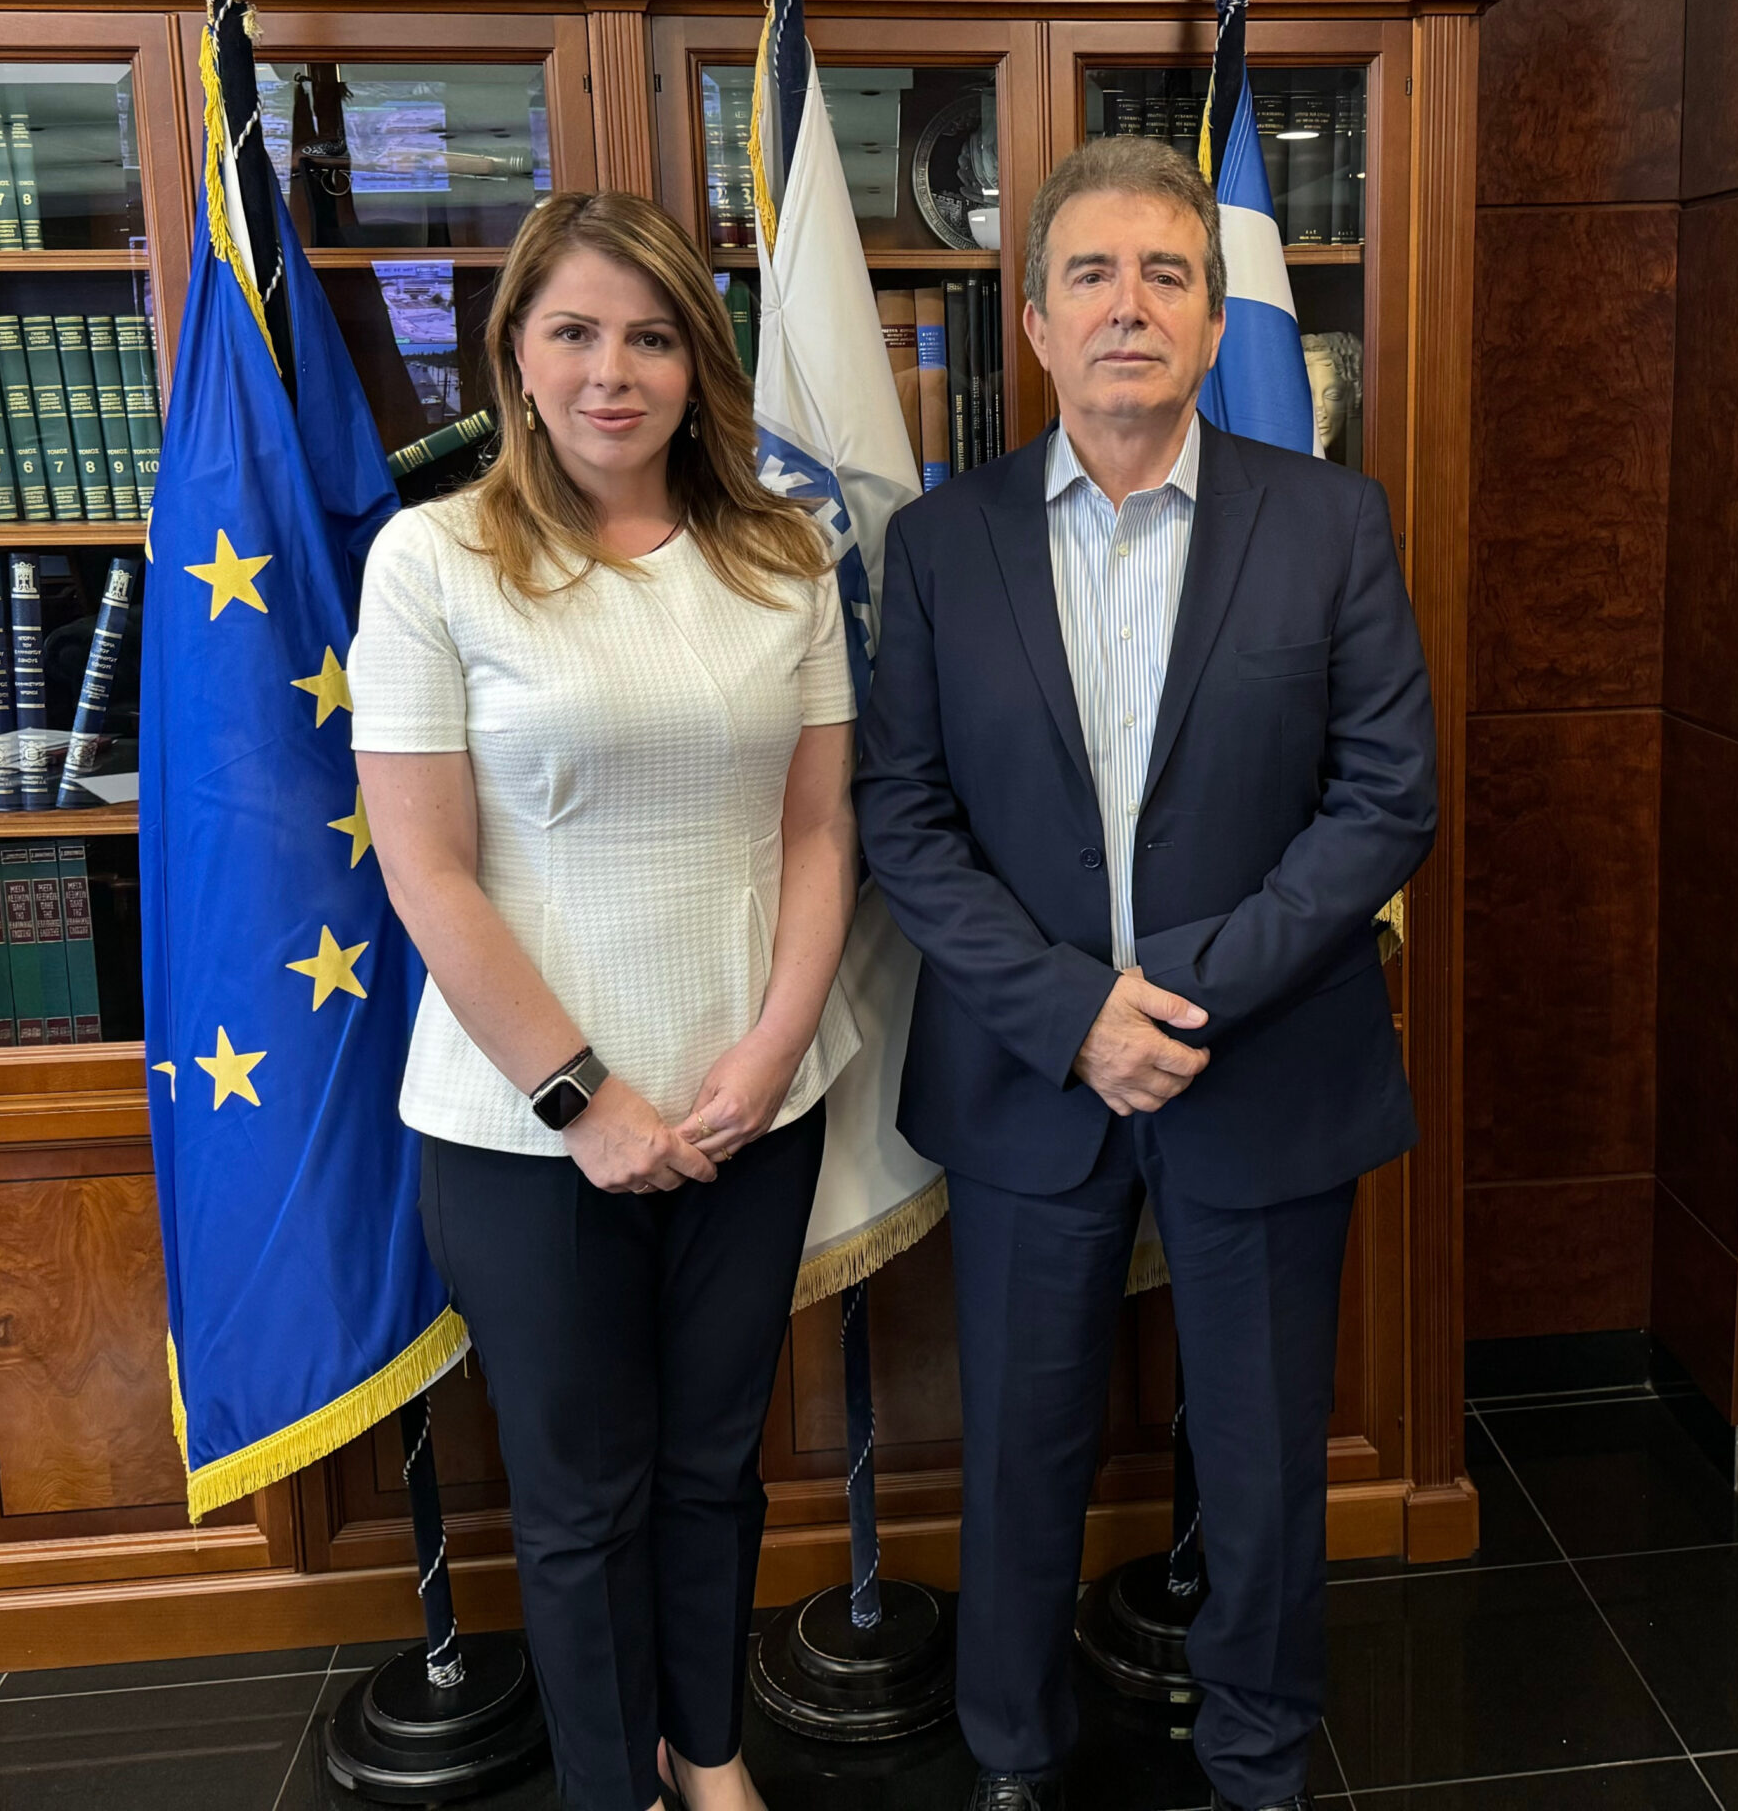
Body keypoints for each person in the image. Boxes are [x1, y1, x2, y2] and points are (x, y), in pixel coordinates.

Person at [854, 135, 1438, 1811]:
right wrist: (1071, 1016)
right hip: (1028, 1075)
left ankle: (1258, 1754)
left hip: (1263, 1060)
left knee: (1263, 1454)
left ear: (1213, 319)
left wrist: (1186, 997)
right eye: (1093, 276)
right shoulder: (943, 544)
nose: (1130, 306)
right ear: (1036, 321)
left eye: (1166, 275)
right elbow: (903, 817)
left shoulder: (1330, 523)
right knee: (1021, 1446)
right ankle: (1012, 1753)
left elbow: (1386, 796)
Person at [349, 189, 859, 1811]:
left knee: (714, 1469)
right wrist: (587, 1100)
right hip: (526, 1131)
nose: (611, 372)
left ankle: (706, 1756)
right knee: (579, 1503)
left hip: (750, 1107)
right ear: (514, 352)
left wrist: (773, 1051)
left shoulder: (785, 555)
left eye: (649, 337)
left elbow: (818, 831)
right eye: (572, 331)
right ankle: (608, 1787)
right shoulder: (433, 561)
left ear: (699, 362)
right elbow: (427, 870)